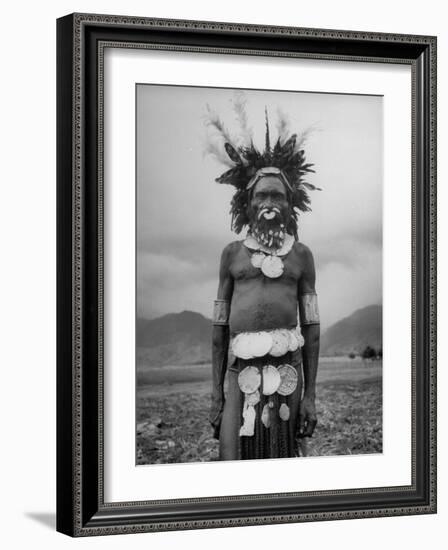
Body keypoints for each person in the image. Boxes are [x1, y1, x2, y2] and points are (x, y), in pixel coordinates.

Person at [207, 107, 321, 460]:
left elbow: (312, 328)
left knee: (284, 463)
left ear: (291, 206)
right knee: (234, 462)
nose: (269, 203)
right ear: (248, 203)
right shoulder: (231, 255)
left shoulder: (302, 256)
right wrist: (216, 394)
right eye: (262, 196)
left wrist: (310, 396)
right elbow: (219, 329)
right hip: (239, 374)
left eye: (278, 196)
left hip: (289, 372)